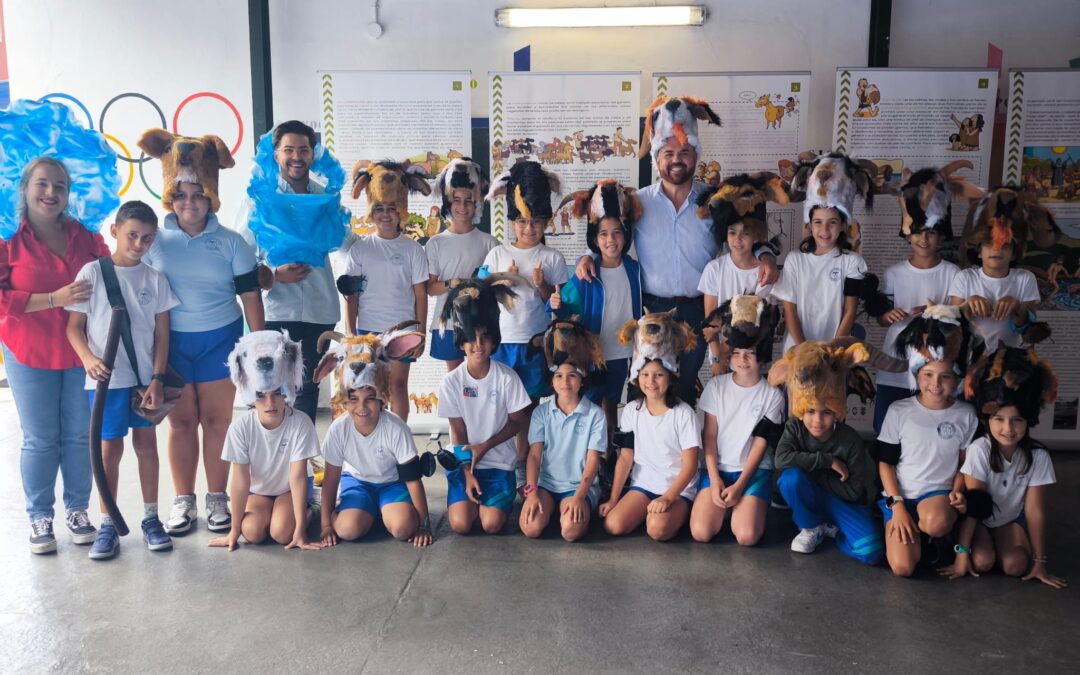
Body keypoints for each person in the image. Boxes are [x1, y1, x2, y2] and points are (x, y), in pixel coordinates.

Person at [574, 96, 778, 405]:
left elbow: (745, 232)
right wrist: (586, 257)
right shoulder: (637, 202)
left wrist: (766, 255)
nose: (676, 159)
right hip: (651, 308)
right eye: (668, 153)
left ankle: (684, 451)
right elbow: (607, 234)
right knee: (648, 388)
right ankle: (643, 452)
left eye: (684, 151)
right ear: (656, 159)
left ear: (696, 155)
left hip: (700, 308)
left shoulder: (715, 202)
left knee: (685, 390)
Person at [138, 128, 265, 535]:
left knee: (216, 421)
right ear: (170, 198)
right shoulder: (154, 241)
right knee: (179, 423)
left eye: (197, 194)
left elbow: (251, 298)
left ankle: (216, 498)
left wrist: (257, 348)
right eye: (181, 195)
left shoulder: (231, 243)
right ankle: (183, 500)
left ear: (210, 196)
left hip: (219, 342)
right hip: (171, 345)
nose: (190, 203)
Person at [1, 157, 111, 553]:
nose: (51, 193)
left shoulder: (85, 235)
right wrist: (53, 299)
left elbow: (110, 276)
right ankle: (39, 516)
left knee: (80, 435)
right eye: (43, 184)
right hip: (28, 349)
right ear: (25, 188)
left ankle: (78, 510)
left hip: (82, 351)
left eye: (60, 186)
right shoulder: (7, 237)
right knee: (41, 438)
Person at [66, 201, 179, 559]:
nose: (138, 244)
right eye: (131, 235)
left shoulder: (155, 278)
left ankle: (150, 518)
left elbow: (163, 333)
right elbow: (74, 328)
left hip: (145, 381)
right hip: (105, 383)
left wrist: (158, 378)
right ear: (114, 231)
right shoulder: (92, 273)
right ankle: (107, 524)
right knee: (108, 452)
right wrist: (88, 359)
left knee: (147, 446)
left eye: (146, 238)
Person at [235, 120, 352, 424]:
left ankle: (302, 460)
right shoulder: (259, 198)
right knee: (270, 387)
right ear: (276, 155)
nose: (296, 156)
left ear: (313, 155)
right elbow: (240, 254)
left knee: (309, 387)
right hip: (275, 309)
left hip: (319, 307)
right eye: (288, 150)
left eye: (304, 149)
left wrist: (390, 239)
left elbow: (346, 243)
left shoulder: (325, 199)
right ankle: (274, 462)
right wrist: (273, 275)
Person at [940, 346, 1066, 588]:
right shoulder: (980, 449)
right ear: (988, 420)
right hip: (977, 518)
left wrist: (1040, 561)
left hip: (1008, 519)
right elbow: (977, 505)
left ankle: (1002, 541)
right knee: (982, 561)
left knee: (1016, 565)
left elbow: (1035, 511)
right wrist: (961, 554)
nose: (1008, 429)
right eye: (999, 419)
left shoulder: (1038, 456)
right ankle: (962, 543)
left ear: (1028, 421)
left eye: (1017, 420)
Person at [874, 305, 978, 577]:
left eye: (945, 376)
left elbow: (964, 462)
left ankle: (936, 534)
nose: (936, 384)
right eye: (928, 375)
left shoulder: (966, 414)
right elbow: (885, 463)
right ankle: (903, 528)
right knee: (903, 568)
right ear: (917, 375)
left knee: (935, 522)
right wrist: (896, 505)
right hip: (899, 496)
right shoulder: (899, 410)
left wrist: (957, 490)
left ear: (956, 379)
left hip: (936, 497)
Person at [483, 161, 568, 478]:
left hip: (534, 344)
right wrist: (501, 282)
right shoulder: (496, 255)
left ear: (546, 222)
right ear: (510, 220)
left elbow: (560, 307)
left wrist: (543, 286)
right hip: (503, 344)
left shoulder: (552, 258)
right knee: (506, 406)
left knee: (531, 405)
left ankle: (529, 462)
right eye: (520, 221)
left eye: (535, 222)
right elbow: (482, 295)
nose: (528, 228)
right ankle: (507, 461)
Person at [873, 164, 969, 433]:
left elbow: (958, 318)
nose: (923, 239)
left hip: (935, 363)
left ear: (940, 234)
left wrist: (935, 312)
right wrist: (887, 315)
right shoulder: (893, 273)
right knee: (889, 427)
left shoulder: (952, 273)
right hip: (896, 360)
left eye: (930, 232)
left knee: (930, 429)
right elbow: (883, 319)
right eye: (917, 232)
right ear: (907, 233)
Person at [769, 340, 883, 565]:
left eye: (827, 412)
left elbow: (853, 491)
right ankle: (811, 526)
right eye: (810, 411)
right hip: (813, 496)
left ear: (838, 412)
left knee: (871, 550)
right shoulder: (795, 427)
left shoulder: (849, 439)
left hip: (843, 503)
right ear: (801, 411)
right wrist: (827, 461)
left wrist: (812, 476)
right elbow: (781, 460)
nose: (817, 420)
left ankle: (835, 531)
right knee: (791, 479)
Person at [210, 331, 322, 551]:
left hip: (289, 490)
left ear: (287, 389)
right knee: (251, 532)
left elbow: (298, 476)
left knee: (282, 533)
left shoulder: (300, 422)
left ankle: (312, 510)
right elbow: (240, 480)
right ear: (251, 394)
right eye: (261, 395)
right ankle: (270, 516)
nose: (270, 402)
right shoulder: (241, 428)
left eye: (277, 392)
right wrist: (233, 531)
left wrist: (301, 529)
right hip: (259, 490)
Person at [436, 276, 530, 535]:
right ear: (461, 343)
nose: (478, 345)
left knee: (490, 525)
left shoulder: (507, 377)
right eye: (471, 338)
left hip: (499, 465)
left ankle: (500, 500)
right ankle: (468, 493)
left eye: (484, 337)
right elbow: (457, 431)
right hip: (466, 464)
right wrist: (467, 470)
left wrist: (484, 447)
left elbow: (517, 422)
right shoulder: (451, 382)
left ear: (493, 340)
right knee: (460, 524)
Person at [551, 179, 642, 440]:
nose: (610, 239)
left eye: (616, 232)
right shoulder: (587, 271)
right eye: (603, 234)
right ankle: (585, 455)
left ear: (625, 235)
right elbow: (564, 300)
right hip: (594, 352)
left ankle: (608, 456)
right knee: (589, 404)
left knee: (612, 403)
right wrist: (553, 304)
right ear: (595, 238)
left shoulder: (634, 268)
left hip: (623, 352)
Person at [690, 296, 784, 545]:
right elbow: (709, 437)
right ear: (728, 355)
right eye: (737, 353)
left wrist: (741, 485)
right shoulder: (716, 387)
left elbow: (760, 444)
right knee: (701, 532)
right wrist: (714, 477)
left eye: (750, 353)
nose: (743, 359)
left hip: (751, 473)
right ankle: (724, 509)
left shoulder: (772, 395)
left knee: (746, 536)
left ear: (761, 356)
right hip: (718, 469)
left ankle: (743, 507)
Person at [341, 160, 431, 422]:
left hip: (402, 330)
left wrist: (421, 332)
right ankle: (371, 440)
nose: (385, 214)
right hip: (367, 331)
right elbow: (350, 296)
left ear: (401, 210)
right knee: (368, 389)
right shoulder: (359, 250)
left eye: (392, 208)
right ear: (370, 210)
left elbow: (420, 295)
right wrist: (350, 336)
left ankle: (399, 440)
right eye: (379, 208)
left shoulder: (413, 249)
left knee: (397, 387)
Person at [772, 154, 871, 354]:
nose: (824, 230)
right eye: (818, 222)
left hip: (834, 352)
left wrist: (832, 349)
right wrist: (804, 349)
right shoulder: (795, 260)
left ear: (843, 225)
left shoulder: (852, 262)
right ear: (809, 225)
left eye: (832, 222)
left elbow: (849, 311)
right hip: (797, 351)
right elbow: (789, 310)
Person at [318, 385, 434, 548]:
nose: (362, 407)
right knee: (347, 530)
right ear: (344, 403)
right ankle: (354, 510)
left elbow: (413, 479)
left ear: (382, 401)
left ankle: (380, 510)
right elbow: (330, 480)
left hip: (392, 483)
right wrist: (326, 526)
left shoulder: (396, 427)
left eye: (370, 398)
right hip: (357, 482)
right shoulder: (338, 429)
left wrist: (424, 526)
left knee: (403, 529)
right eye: (354, 399)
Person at [695, 172, 787, 375]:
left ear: (756, 236)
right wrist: (718, 355)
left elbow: (762, 320)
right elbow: (710, 321)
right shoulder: (714, 269)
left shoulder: (765, 272)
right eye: (732, 232)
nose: (738, 239)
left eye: (746, 233)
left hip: (756, 359)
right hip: (723, 357)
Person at [600, 358, 699, 541]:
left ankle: (679, 514)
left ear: (670, 379)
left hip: (677, 489)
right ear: (638, 379)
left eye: (659, 375)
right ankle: (651, 513)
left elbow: (690, 465)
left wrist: (668, 498)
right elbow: (625, 458)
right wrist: (614, 499)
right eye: (645, 375)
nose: (651, 382)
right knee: (613, 525)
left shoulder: (684, 413)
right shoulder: (631, 410)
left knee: (657, 529)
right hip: (644, 485)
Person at [948, 187, 1045, 354]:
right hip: (970, 359)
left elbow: (1028, 331)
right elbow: (952, 322)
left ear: (1014, 253)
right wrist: (968, 303)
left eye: (1005, 245)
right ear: (978, 251)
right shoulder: (964, 278)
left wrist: (1016, 307)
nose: (996, 250)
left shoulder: (1025, 279)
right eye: (989, 244)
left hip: (1009, 358)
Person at [520, 360, 606, 542]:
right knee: (531, 528)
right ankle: (551, 510)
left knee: (570, 531)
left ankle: (565, 513)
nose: (565, 382)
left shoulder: (595, 414)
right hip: (547, 485)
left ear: (582, 380)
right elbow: (534, 456)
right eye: (558, 376)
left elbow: (592, 460)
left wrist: (579, 497)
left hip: (578, 487)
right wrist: (531, 493)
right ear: (552, 381)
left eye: (572, 376)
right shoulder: (541, 412)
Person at [426, 158, 498, 371]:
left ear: (477, 202)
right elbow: (430, 288)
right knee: (454, 377)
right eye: (456, 200)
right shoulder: (435, 243)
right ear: (448, 203)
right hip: (447, 323)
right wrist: (452, 283)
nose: (462, 206)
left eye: (469, 200)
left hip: (480, 323)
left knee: (480, 375)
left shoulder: (490, 243)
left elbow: (495, 284)